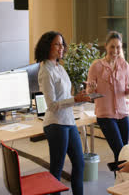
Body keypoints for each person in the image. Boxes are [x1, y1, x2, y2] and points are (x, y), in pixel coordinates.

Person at [35, 31, 91, 195]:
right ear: (48, 47)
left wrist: (84, 94)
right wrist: (75, 100)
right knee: (57, 169)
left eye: (62, 44)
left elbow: (66, 96)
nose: (61, 48)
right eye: (57, 44)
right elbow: (52, 105)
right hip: (56, 124)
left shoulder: (59, 67)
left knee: (79, 163)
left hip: (68, 121)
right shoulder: (46, 70)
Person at [86, 31, 129, 162]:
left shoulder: (124, 65)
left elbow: (124, 91)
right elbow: (90, 95)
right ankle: (121, 181)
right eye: (112, 47)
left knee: (124, 151)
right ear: (106, 46)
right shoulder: (96, 66)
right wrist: (91, 89)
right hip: (105, 115)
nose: (115, 50)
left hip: (122, 113)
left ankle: (120, 181)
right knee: (120, 151)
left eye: (118, 47)